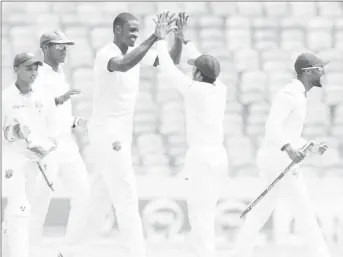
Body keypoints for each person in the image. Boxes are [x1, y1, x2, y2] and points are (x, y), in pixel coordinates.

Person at [86, 11, 182, 257]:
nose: (135, 35)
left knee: (99, 195)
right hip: (109, 132)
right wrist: (153, 37)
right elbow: (124, 64)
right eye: (131, 30)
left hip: (118, 134)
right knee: (126, 195)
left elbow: (168, 61)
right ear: (117, 30)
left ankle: (73, 248)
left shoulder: (136, 53)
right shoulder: (107, 53)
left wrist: (178, 39)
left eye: (138, 31)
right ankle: (138, 252)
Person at [230, 53, 331, 257]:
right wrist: (289, 149)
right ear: (308, 72)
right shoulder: (289, 95)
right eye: (320, 69)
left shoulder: (299, 95)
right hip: (279, 162)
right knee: (304, 213)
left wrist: (310, 147)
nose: (323, 72)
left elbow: (290, 133)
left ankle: (239, 252)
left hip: (277, 160)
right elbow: (272, 128)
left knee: (260, 213)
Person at [154, 13, 228, 257]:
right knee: (204, 210)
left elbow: (166, 67)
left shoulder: (194, 90)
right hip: (218, 155)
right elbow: (202, 62)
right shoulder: (220, 87)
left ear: (197, 74)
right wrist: (185, 42)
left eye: (194, 69)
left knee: (200, 212)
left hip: (202, 157)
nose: (191, 71)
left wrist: (160, 39)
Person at [28, 30, 90, 257]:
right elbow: (35, 110)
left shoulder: (61, 74)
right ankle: (26, 249)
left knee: (84, 194)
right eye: (58, 46)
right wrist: (58, 100)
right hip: (47, 145)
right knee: (40, 201)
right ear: (45, 48)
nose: (64, 50)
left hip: (67, 144)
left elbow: (59, 115)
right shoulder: (37, 75)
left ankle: (70, 250)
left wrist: (76, 121)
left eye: (66, 46)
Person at [2, 52, 58, 257]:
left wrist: (45, 148)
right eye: (28, 68)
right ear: (16, 70)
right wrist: (16, 132)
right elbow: (3, 134)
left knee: (26, 212)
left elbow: (54, 133)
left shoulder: (44, 97)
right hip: (13, 162)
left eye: (36, 68)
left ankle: (6, 246)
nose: (34, 72)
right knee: (20, 208)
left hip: (38, 161)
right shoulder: (5, 97)